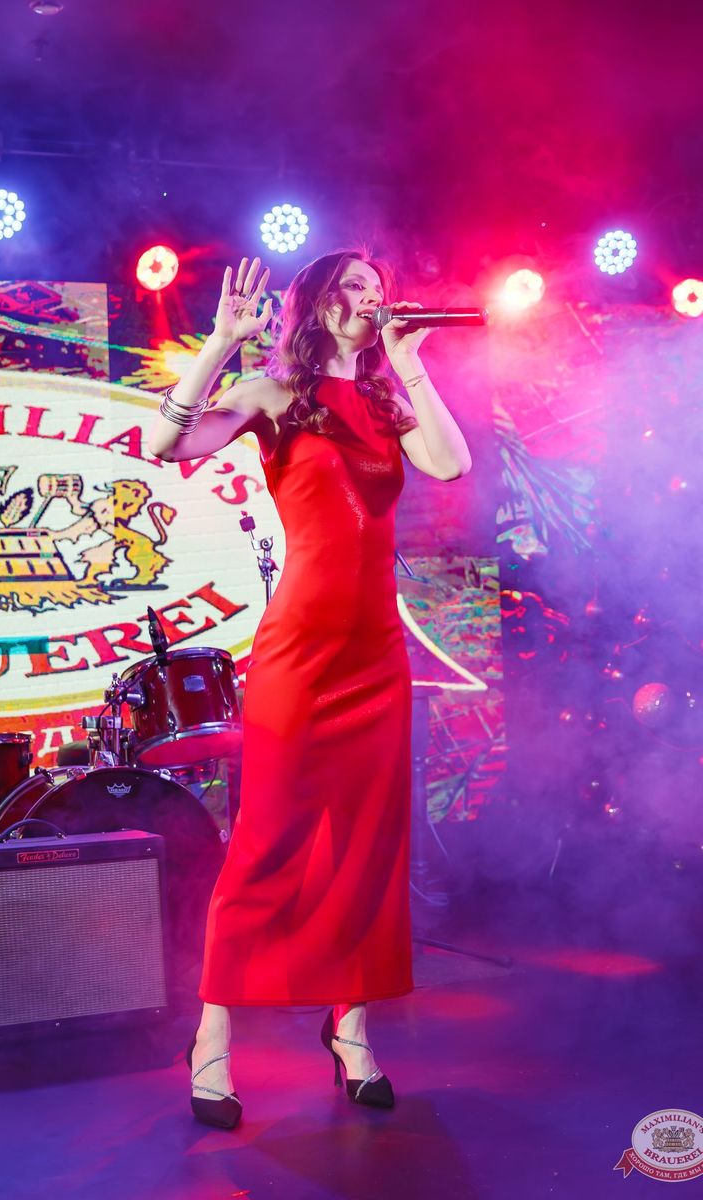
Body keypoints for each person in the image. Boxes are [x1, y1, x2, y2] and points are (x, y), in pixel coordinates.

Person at [148, 249, 472, 1129]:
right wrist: (219, 343)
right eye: (356, 288)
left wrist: (408, 360)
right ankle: (213, 1036)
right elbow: (168, 444)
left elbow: (449, 465)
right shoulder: (273, 393)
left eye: (379, 289)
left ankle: (351, 1030)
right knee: (267, 840)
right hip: (300, 648)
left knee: (367, 847)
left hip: (375, 652)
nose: (373, 298)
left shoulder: (387, 399)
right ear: (321, 303)